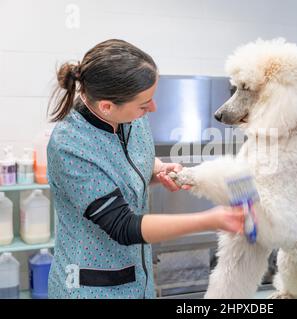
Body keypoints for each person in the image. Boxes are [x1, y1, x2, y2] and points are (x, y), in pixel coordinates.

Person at [46, 39, 244, 299]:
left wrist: (158, 170)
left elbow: (126, 161)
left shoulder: (130, 117)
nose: (153, 108)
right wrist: (211, 220)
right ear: (107, 106)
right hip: (93, 287)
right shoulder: (70, 146)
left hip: (139, 280)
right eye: (144, 104)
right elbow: (124, 226)